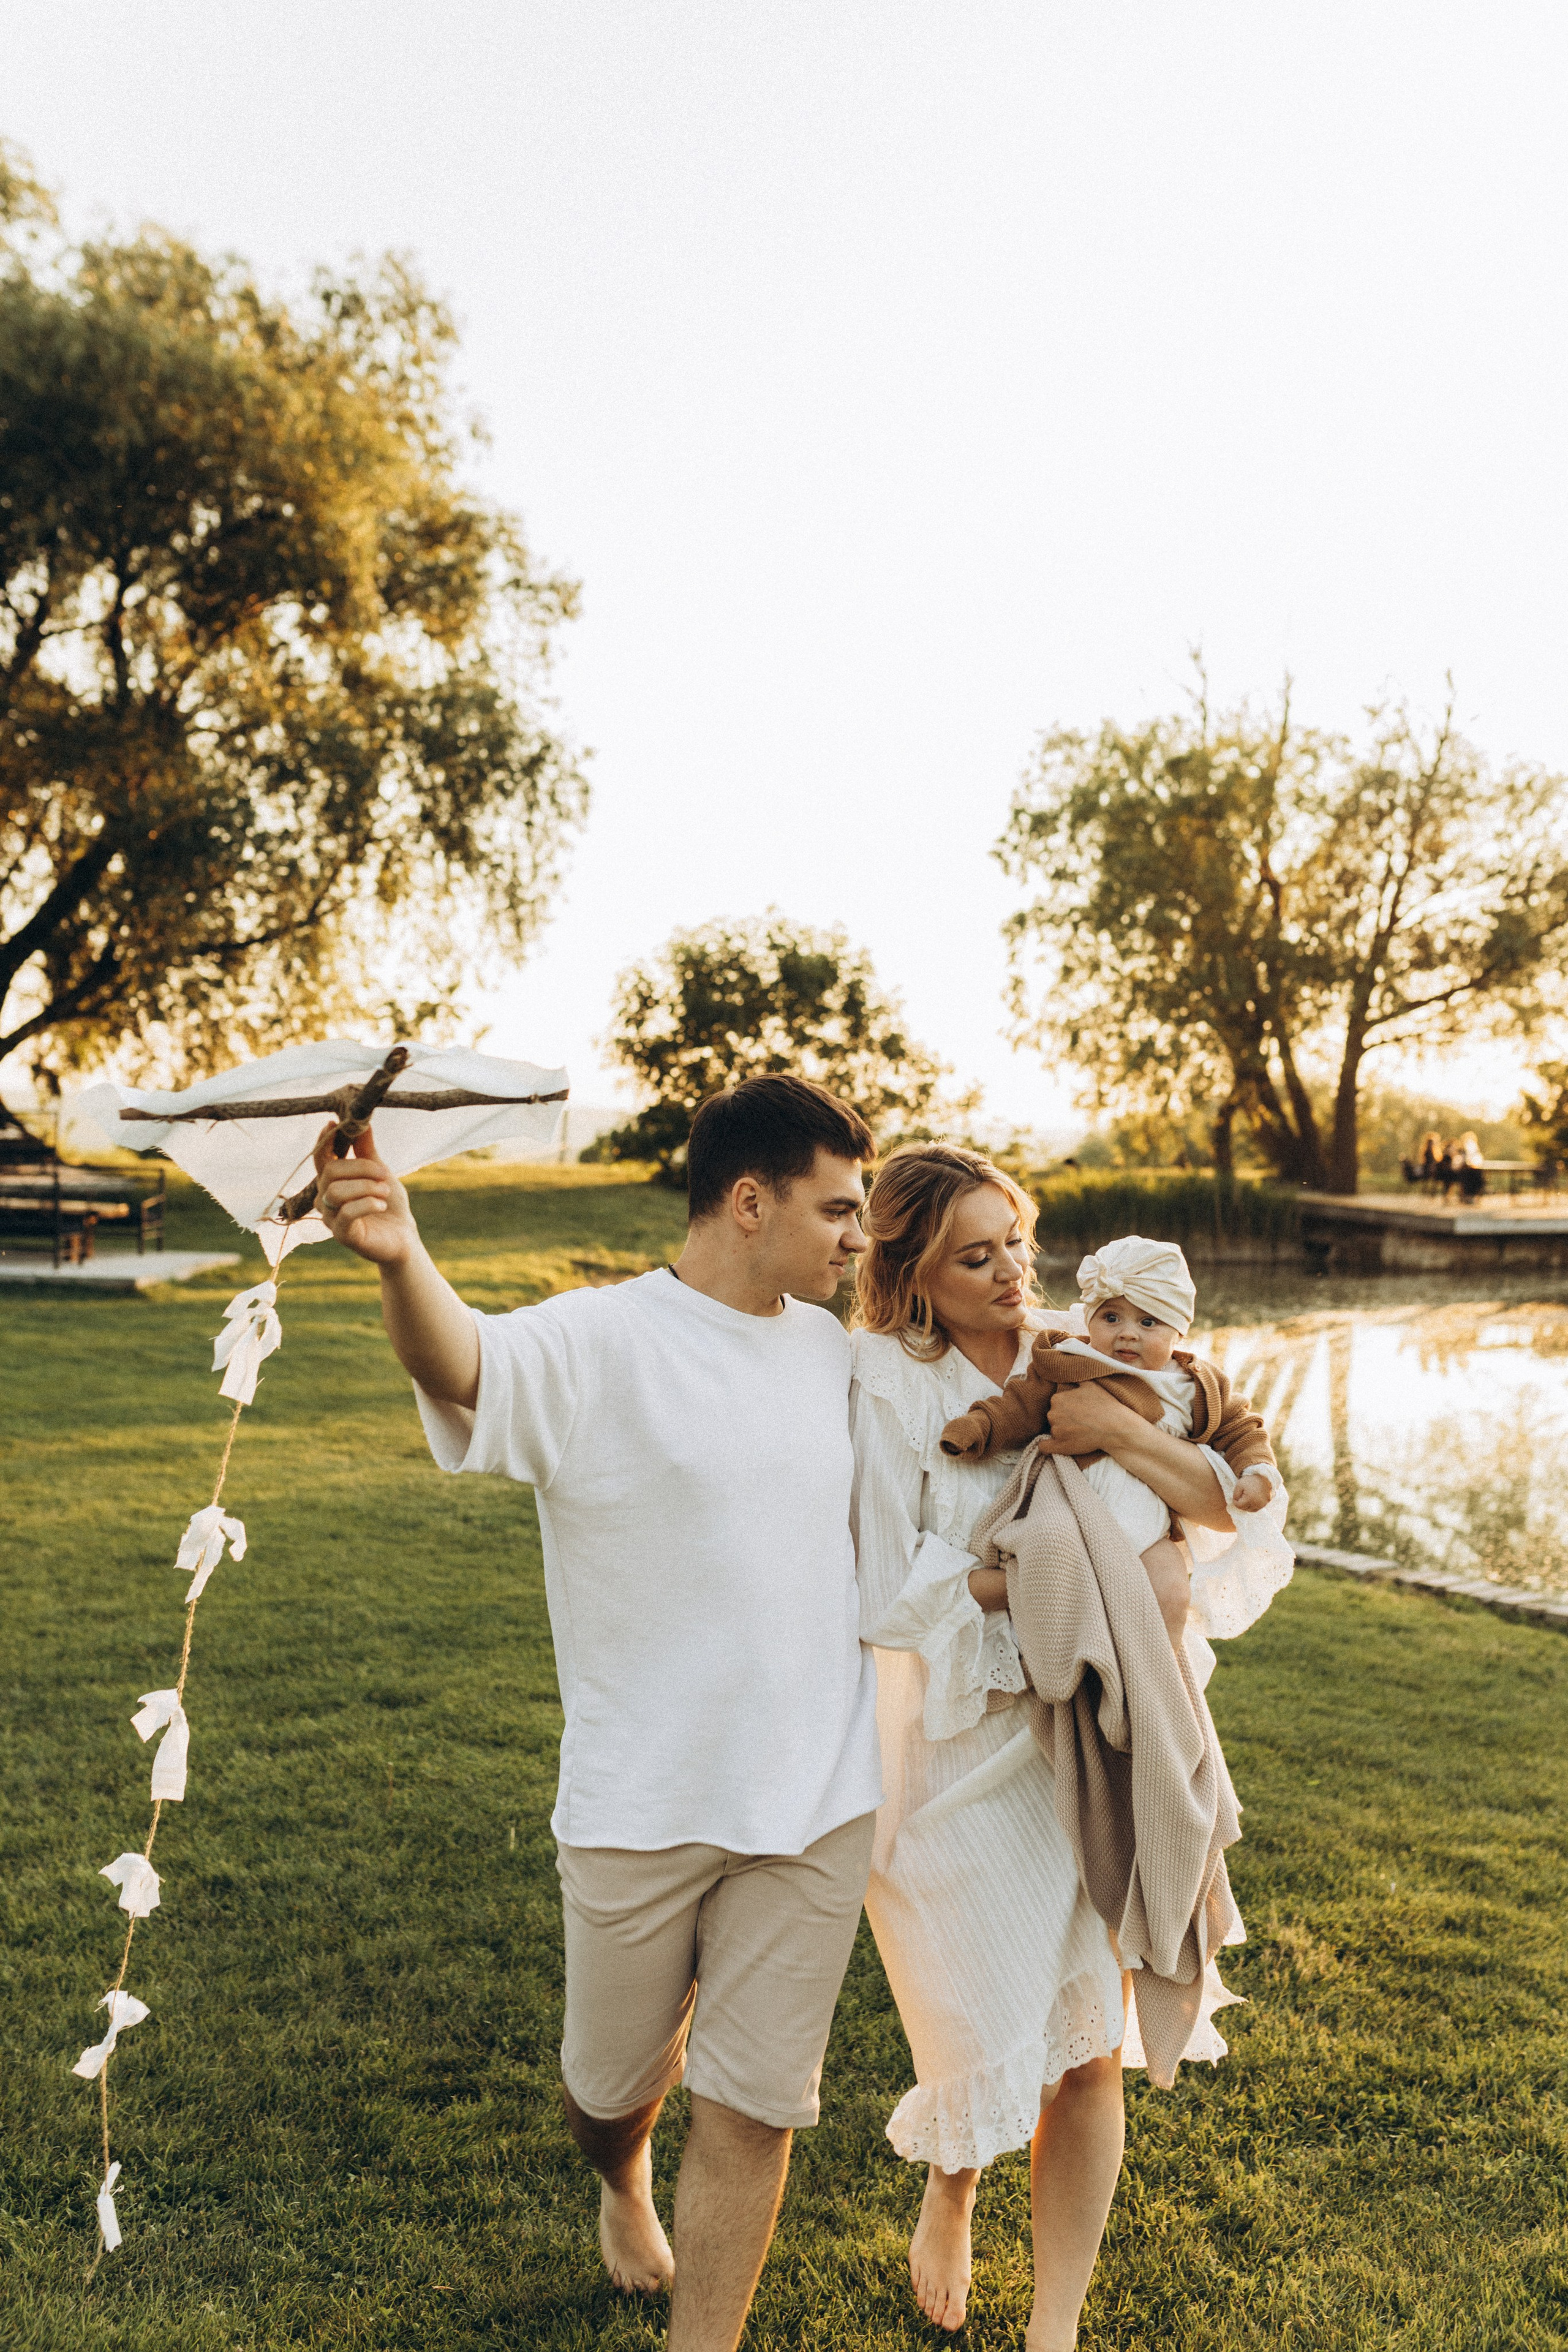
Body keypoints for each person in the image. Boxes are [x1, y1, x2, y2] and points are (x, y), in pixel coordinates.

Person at [311, 1074, 883, 2352]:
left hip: (818, 1796)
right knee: (608, 2089)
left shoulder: (833, 1355)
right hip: (642, 1798)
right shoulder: (599, 1340)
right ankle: (620, 2177)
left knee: (753, 2108)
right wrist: (401, 1258)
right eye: (839, 1209)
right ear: (750, 1201)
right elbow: (462, 1361)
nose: (859, 1236)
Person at [849, 1145, 1293, 2346]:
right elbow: (880, 1583)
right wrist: (1050, 1579)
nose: (1012, 1275)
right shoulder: (878, 1385)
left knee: (1087, 2050)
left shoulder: (1093, 1344)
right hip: (952, 1745)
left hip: (1090, 1738)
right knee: (976, 2028)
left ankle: (1055, 2326)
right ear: (910, 1273)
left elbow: (1227, 1499)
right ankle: (953, 2186)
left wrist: (1121, 1437)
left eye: (1017, 1242)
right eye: (974, 1257)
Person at [937, 1234, 1285, 1650]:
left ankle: (1154, 1672)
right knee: (1056, 1578)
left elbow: (1243, 1429)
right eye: (1111, 1318)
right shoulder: (1072, 1360)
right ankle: (1063, 1663)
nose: (1127, 1335)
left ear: (1178, 1329)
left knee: (1171, 1593)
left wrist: (1257, 1472)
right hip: (1073, 1507)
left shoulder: (1196, 1386)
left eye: (1148, 1323)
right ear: (1090, 1320)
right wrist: (977, 1428)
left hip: (1150, 1526)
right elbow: (1019, 1405)